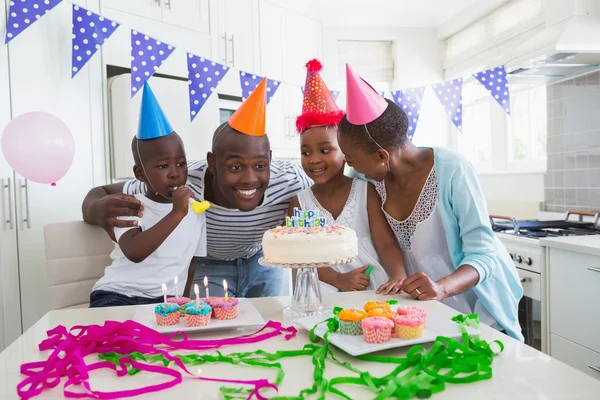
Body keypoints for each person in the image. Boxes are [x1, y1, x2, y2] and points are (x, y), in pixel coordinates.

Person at [337, 64, 524, 340]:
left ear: (381, 156)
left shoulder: (453, 170)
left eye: (351, 159)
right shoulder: (367, 179)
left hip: (476, 306)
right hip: (420, 310)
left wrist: (442, 288)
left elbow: (484, 255)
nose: (348, 166)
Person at [82, 78, 311, 298]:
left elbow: (330, 193)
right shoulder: (179, 182)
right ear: (212, 163)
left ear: (270, 159)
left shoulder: (290, 182)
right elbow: (100, 192)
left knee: (272, 329)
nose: (249, 179)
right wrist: (97, 209)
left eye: (260, 165)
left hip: (264, 262)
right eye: (235, 166)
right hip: (207, 266)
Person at [288, 59, 406, 294]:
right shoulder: (298, 203)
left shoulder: (365, 191)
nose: (314, 159)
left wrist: (398, 276)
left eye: (325, 150)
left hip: (370, 284)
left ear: (345, 152)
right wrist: (339, 280)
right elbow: (299, 255)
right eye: (305, 152)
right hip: (322, 289)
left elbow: (384, 243)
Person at [90, 82, 206, 307]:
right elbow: (134, 251)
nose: (174, 173)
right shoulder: (129, 206)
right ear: (140, 174)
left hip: (165, 301)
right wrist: (176, 213)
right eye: (163, 166)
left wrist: (183, 301)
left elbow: (190, 262)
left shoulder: (197, 211)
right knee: (122, 342)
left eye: (181, 164)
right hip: (117, 296)